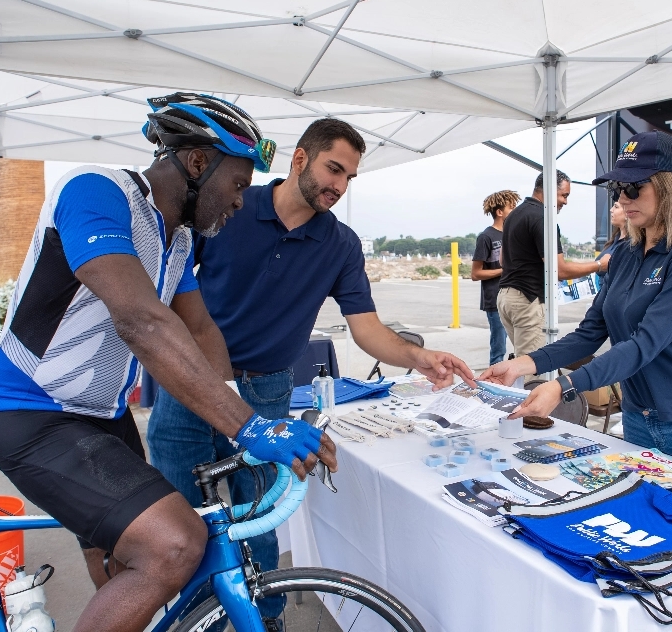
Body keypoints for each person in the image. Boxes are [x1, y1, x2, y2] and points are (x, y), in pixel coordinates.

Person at [0, 93, 338, 632]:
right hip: (31, 410)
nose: (237, 202)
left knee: (119, 560)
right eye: (236, 185)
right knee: (174, 543)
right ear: (198, 162)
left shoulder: (174, 237)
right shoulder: (96, 190)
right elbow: (141, 320)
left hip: (101, 413)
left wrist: (237, 421)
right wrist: (248, 426)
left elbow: (200, 329)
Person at [147, 117, 476, 620]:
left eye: (349, 178)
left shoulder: (341, 244)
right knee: (181, 526)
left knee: (258, 522)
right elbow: (167, 285)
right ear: (300, 158)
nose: (340, 186)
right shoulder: (231, 202)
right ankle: (199, 622)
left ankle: (268, 622)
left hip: (268, 392)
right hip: (191, 385)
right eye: (333, 169)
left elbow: (366, 328)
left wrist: (420, 357)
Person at [480, 131, 672, 477]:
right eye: (618, 187)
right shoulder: (625, 254)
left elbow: (645, 344)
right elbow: (590, 333)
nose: (624, 197)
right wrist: (523, 364)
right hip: (638, 419)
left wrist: (564, 386)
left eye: (635, 187)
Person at [496, 170, 610, 366]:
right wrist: (600, 265)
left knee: (523, 360)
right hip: (528, 299)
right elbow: (560, 270)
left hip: (506, 297)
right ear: (548, 190)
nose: (565, 202)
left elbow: (502, 261)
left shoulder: (514, 215)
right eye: (564, 195)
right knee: (531, 368)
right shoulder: (543, 218)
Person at [472, 190, 521, 366]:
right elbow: (475, 274)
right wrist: (504, 270)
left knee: (520, 346)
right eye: (511, 207)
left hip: (514, 298)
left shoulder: (513, 234)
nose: (515, 210)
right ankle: (495, 382)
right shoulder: (486, 237)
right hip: (494, 301)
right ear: (499, 212)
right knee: (499, 348)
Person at [595, 200, 627, 291]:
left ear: (627, 213)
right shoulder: (614, 240)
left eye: (616, 207)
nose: (611, 210)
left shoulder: (630, 245)